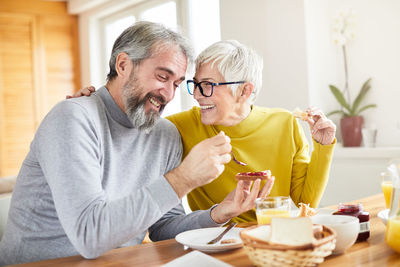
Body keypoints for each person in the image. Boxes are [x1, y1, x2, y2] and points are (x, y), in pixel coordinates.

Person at [0, 23, 274, 265]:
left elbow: (163, 227)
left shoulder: (164, 134)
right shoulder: (73, 117)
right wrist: (183, 179)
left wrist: (219, 213)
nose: (168, 94)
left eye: (177, 84)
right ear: (123, 65)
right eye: (162, 76)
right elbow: (89, 236)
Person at [76, 40, 336, 224]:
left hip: (274, 240)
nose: (198, 95)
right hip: (214, 242)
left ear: (245, 90)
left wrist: (323, 147)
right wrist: (93, 104)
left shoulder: (285, 124)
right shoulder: (179, 127)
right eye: (195, 84)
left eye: (208, 85)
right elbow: (126, 128)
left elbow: (305, 203)